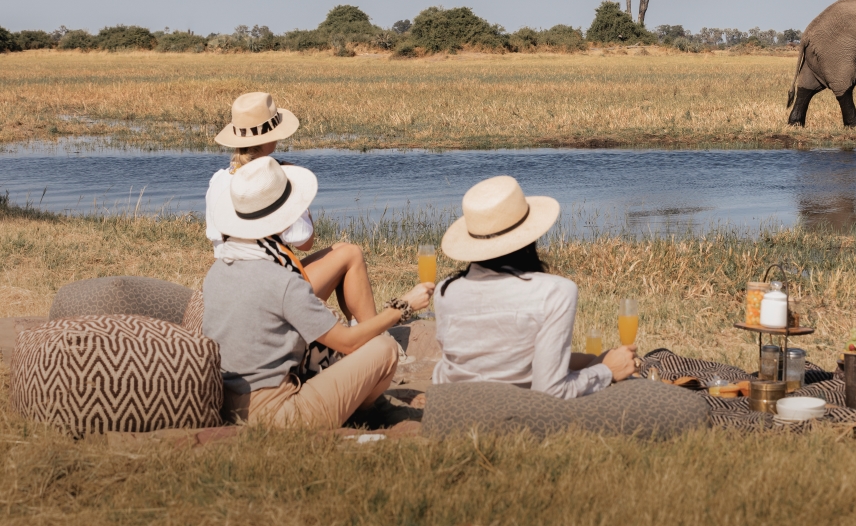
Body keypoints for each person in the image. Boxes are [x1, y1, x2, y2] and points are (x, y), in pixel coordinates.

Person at [203, 154, 434, 427]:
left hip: (228, 404)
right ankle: (364, 412)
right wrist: (403, 306)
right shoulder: (281, 280)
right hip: (278, 414)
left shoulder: (218, 269)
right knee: (383, 349)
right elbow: (348, 342)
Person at [432, 175, 637, 398]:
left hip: (453, 405)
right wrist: (607, 371)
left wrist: (591, 363)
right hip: (518, 412)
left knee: (586, 360)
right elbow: (551, 391)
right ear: (528, 236)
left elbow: (485, 359)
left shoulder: (445, 291)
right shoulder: (556, 291)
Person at [205, 92, 380, 325]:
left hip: (229, 284)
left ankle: (357, 327)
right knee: (352, 254)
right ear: (270, 138)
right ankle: (373, 335)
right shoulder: (275, 182)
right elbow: (306, 243)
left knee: (340, 248)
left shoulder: (218, 180)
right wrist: (298, 193)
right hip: (269, 294)